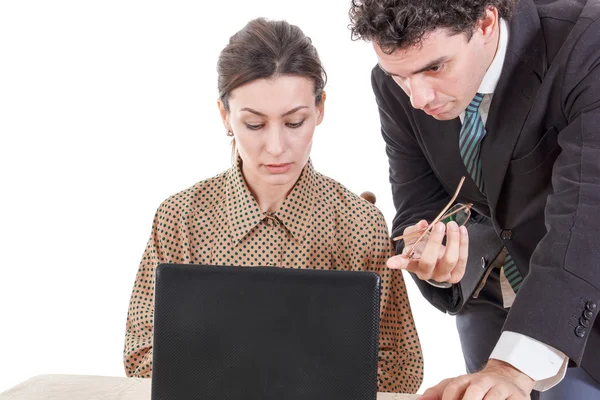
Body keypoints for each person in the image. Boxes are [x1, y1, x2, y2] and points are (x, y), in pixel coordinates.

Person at [122, 17, 424, 393]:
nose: (277, 147)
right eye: (254, 125)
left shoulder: (359, 224)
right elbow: (141, 353)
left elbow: (400, 367)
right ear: (225, 116)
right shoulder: (180, 218)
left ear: (320, 110)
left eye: (295, 122)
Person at [349, 0, 600, 399]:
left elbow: (588, 219)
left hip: (581, 303)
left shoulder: (588, 43)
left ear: (485, 21)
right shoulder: (398, 84)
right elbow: (419, 198)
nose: (417, 97)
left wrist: (511, 368)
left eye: (435, 67)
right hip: (488, 300)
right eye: (399, 76)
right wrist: (431, 247)